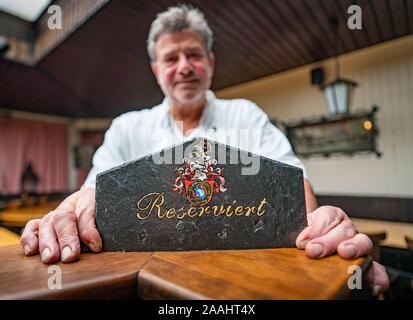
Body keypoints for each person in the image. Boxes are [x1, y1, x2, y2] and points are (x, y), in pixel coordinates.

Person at [20, 4, 389, 295]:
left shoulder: (246, 114)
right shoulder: (127, 127)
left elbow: (296, 193)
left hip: (245, 287)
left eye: (194, 55)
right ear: (156, 70)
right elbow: (91, 195)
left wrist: (325, 237)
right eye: (170, 58)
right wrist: (68, 214)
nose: (184, 67)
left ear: (210, 63)